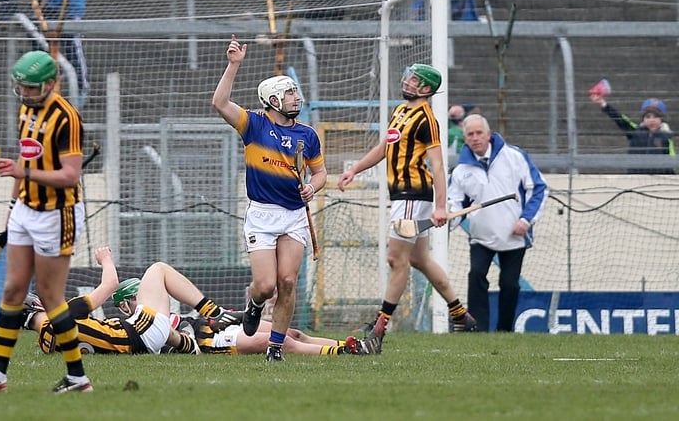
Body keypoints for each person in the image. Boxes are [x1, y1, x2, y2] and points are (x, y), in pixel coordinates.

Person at [0, 50, 91, 393]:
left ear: (51, 84)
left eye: (31, 88)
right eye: (20, 87)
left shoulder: (67, 118)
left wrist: (24, 172)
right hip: (25, 208)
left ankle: (78, 378)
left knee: (51, 296)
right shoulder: (26, 110)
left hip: (57, 213)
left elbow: (70, 175)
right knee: (13, 290)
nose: (24, 93)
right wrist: (13, 203)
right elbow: (26, 156)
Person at [337, 63, 476, 351]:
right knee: (419, 259)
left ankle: (380, 326)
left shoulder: (427, 119)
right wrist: (355, 170)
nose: (408, 82)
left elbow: (438, 166)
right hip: (402, 196)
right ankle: (460, 314)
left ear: (426, 89)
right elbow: (384, 148)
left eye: (414, 80)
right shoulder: (400, 111)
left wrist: (440, 207)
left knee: (395, 258)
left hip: (413, 195)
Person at [212, 34, 328, 363]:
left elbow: (320, 174)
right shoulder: (254, 125)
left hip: (293, 214)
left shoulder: (307, 135)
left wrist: (312, 188)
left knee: (288, 281)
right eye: (289, 93)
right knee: (264, 286)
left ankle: (275, 347)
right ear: (273, 100)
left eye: (295, 92)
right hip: (262, 215)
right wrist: (233, 65)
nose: (296, 97)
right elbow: (220, 103)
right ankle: (254, 305)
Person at [23, 247, 242, 355]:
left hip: (136, 345)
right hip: (137, 332)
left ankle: (189, 346)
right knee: (158, 270)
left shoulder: (46, 344)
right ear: (37, 305)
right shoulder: (64, 313)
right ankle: (214, 312)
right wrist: (105, 259)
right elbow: (110, 284)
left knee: (161, 323)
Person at [448, 114, 549, 332]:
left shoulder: (514, 156)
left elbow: (539, 188)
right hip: (481, 237)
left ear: (488, 133)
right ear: (465, 138)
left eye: (479, 133)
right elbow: (455, 206)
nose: (475, 138)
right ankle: (478, 329)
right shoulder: (460, 171)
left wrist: (526, 220)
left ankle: (505, 330)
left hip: (515, 235)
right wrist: (446, 221)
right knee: (476, 276)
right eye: (470, 134)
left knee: (510, 284)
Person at [183, 316, 376, 356]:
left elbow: (185, 322)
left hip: (214, 326)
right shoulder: (153, 335)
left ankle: (358, 345)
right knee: (282, 341)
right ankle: (342, 351)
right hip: (207, 341)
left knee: (292, 333)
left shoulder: (157, 313)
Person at [36, 0, 89, 106]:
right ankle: (47, 82)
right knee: (41, 42)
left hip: (70, 12)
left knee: (73, 50)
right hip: (51, 10)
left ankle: (82, 88)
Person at [589, 94, 675, 174]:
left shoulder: (666, 137)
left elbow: (672, 160)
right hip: (635, 176)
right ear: (643, 119)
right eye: (647, 116)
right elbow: (620, 119)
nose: (651, 120)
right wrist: (604, 104)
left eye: (656, 116)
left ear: (661, 119)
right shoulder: (635, 131)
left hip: (658, 179)